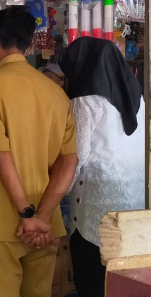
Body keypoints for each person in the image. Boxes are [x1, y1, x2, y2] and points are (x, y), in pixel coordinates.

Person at [0, 6, 79, 297]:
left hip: (0, 222)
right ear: (30, 45)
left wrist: (25, 213)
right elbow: (69, 161)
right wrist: (40, 217)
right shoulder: (56, 92)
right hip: (45, 226)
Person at [61, 37, 145, 297]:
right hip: (133, 207)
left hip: (94, 212)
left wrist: (55, 193)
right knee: (125, 283)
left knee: (94, 283)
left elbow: (76, 155)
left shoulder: (84, 101)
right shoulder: (138, 99)